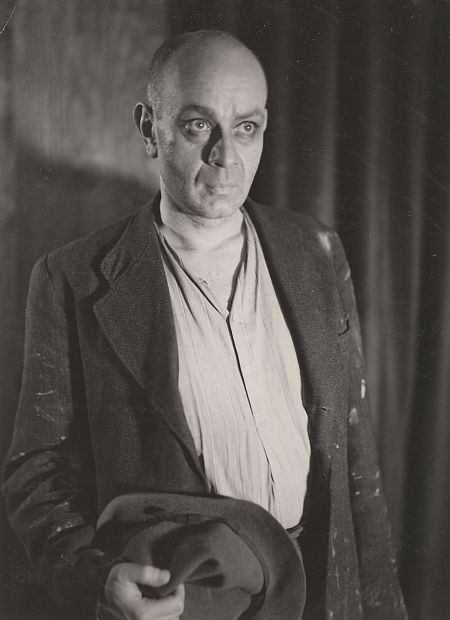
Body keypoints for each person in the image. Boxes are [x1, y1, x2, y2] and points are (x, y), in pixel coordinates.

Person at [3, 30, 408, 620]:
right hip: (181, 601)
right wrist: (96, 578)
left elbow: (355, 456)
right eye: (198, 126)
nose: (226, 156)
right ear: (150, 129)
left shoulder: (316, 248)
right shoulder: (72, 278)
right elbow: (36, 471)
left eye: (246, 127)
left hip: (316, 587)